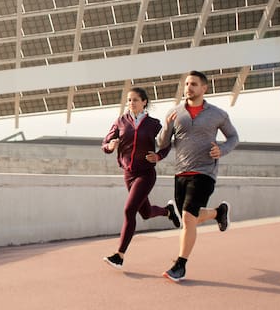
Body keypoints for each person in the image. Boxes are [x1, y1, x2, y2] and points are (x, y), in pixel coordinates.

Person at [156, 70, 239, 283]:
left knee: (186, 217)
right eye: (186, 84)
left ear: (204, 88)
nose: (188, 88)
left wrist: (222, 150)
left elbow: (233, 137)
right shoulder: (175, 112)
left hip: (205, 171)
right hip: (181, 171)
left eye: (193, 84)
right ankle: (218, 213)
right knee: (189, 218)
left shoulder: (217, 114)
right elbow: (162, 143)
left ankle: (180, 265)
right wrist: (167, 125)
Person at [100, 87, 180, 270]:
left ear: (144, 102)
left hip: (146, 173)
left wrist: (159, 156)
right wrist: (110, 146)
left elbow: (167, 142)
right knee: (145, 213)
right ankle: (168, 211)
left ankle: (119, 256)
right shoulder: (121, 121)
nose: (131, 103)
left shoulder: (154, 124)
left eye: (135, 99)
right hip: (128, 173)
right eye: (129, 100)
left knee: (129, 210)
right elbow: (105, 143)